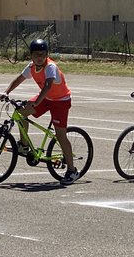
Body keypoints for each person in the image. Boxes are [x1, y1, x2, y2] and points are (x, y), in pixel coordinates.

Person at [4, 39, 78, 184]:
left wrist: (36, 102)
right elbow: (19, 79)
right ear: (31, 55)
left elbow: (48, 85)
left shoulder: (50, 67)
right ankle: (24, 145)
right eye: (36, 54)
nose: (40, 57)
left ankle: (72, 170)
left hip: (60, 101)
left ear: (47, 55)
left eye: (43, 54)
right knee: (21, 113)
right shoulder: (31, 67)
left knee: (60, 135)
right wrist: (6, 92)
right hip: (46, 98)